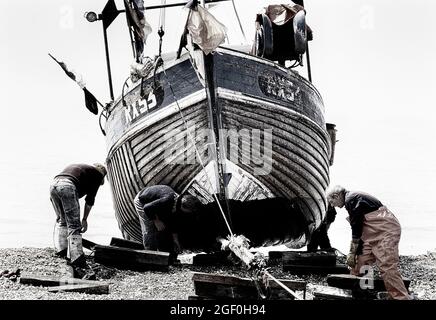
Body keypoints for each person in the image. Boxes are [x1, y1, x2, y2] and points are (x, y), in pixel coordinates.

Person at [326, 185, 412, 300]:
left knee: (387, 266)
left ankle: (400, 297)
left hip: (386, 231)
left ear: (336, 196)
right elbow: (359, 227)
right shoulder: (351, 199)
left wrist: (351, 252)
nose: (332, 205)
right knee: (360, 261)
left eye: (331, 202)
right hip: (370, 233)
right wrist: (355, 253)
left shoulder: (351, 199)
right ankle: (363, 292)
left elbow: (356, 227)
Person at [50, 163, 107, 267]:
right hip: (67, 186)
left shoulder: (83, 170)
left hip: (53, 185)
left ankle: (61, 251)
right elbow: (90, 200)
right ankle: (76, 258)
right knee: (75, 225)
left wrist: (58, 213)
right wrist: (84, 219)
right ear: (103, 174)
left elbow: (53, 196)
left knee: (62, 220)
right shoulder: (97, 175)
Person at [134, 185, 201, 262]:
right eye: (190, 211)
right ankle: (149, 256)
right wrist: (157, 221)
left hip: (156, 204)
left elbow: (173, 224)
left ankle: (163, 255)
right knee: (149, 229)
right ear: (184, 207)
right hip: (142, 201)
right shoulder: (167, 200)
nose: (189, 213)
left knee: (164, 228)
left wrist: (175, 240)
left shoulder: (178, 204)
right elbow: (147, 208)